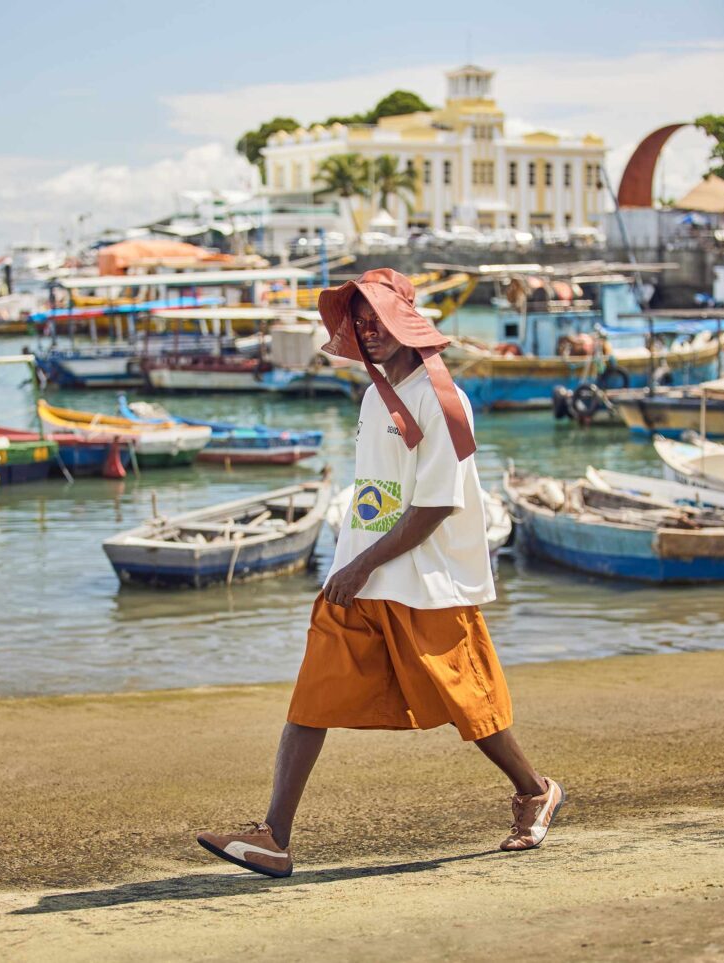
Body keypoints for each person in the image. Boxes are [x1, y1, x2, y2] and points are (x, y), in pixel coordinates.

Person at [197, 269, 565, 879]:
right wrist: (350, 560)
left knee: (466, 701)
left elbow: (436, 504)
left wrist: (363, 562)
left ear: (406, 319)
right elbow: (377, 491)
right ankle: (273, 837)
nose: (369, 331)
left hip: (425, 579)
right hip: (360, 576)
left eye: (378, 319)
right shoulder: (373, 395)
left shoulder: (441, 398)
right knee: (311, 697)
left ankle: (534, 790)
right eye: (358, 321)